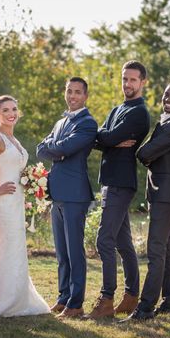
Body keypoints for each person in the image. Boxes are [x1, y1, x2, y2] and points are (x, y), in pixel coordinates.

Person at [0, 95, 50, 317]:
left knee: (15, 246)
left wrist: (31, 181)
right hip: (2, 201)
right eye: (5, 110)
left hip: (16, 201)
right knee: (4, 245)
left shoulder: (14, 140)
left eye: (14, 109)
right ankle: (0, 300)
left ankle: (16, 297)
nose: (11, 113)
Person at [86, 60, 151, 319]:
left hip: (121, 183)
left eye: (133, 79)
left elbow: (107, 138)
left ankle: (106, 300)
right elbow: (100, 137)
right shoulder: (117, 109)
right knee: (123, 242)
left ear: (143, 82)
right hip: (110, 180)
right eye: (125, 79)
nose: (128, 84)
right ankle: (132, 296)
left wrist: (108, 139)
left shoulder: (139, 112)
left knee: (105, 240)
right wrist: (108, 139)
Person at [120, 81, 170, 322]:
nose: (169, 98)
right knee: (167, 248)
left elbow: (144, 153)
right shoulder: (167, 122)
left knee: (156, 250)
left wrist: (146, 153)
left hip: (167, 192)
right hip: (162, 190)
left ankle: (146, 307)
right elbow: (151, 152)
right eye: (166, 94)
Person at [36, 77, 97, 319]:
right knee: (61, 252)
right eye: (69, 91)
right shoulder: (61, 121)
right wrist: (56, 148)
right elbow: (42, 149)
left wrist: (56, 149)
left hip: (75, 195)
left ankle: (76, 303)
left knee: (74, 251)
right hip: (57, 194)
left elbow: (62, 150)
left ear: (85, 96)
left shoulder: (88, 123)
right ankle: (63, 298)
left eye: (78, 92)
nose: (72, 96)